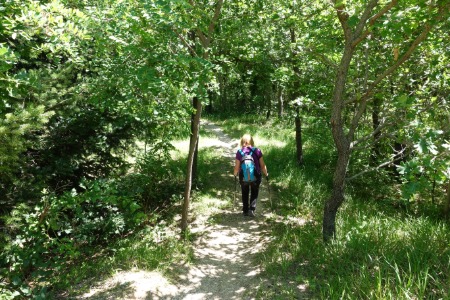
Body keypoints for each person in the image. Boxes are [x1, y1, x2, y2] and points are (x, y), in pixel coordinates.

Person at [233, 133, 269, 217]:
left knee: (244, 192)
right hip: (256, 176)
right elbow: (262, 165)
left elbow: (237, 167)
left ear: (242, 141)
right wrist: (266, 174)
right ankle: (252, 209)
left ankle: (245, 210)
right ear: (251, 141)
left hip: (243, 177)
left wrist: (235, 174)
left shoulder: (239, 152)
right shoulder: (257, 151)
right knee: (254, 191)